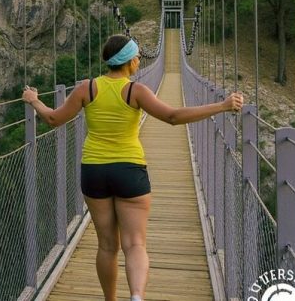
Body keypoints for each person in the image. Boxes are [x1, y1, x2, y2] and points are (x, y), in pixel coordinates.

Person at [21, 34, 244, 301]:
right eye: (138, 56)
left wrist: (33, 100)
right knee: (135, 244)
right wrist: (221, 105)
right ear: (129, 61)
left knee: (106, 245)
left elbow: (54, 119)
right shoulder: (136, 91)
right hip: (129, 171)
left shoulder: (86, 89)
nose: (140, 60)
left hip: (94, 171)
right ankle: (137, 296)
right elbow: (173, 117)